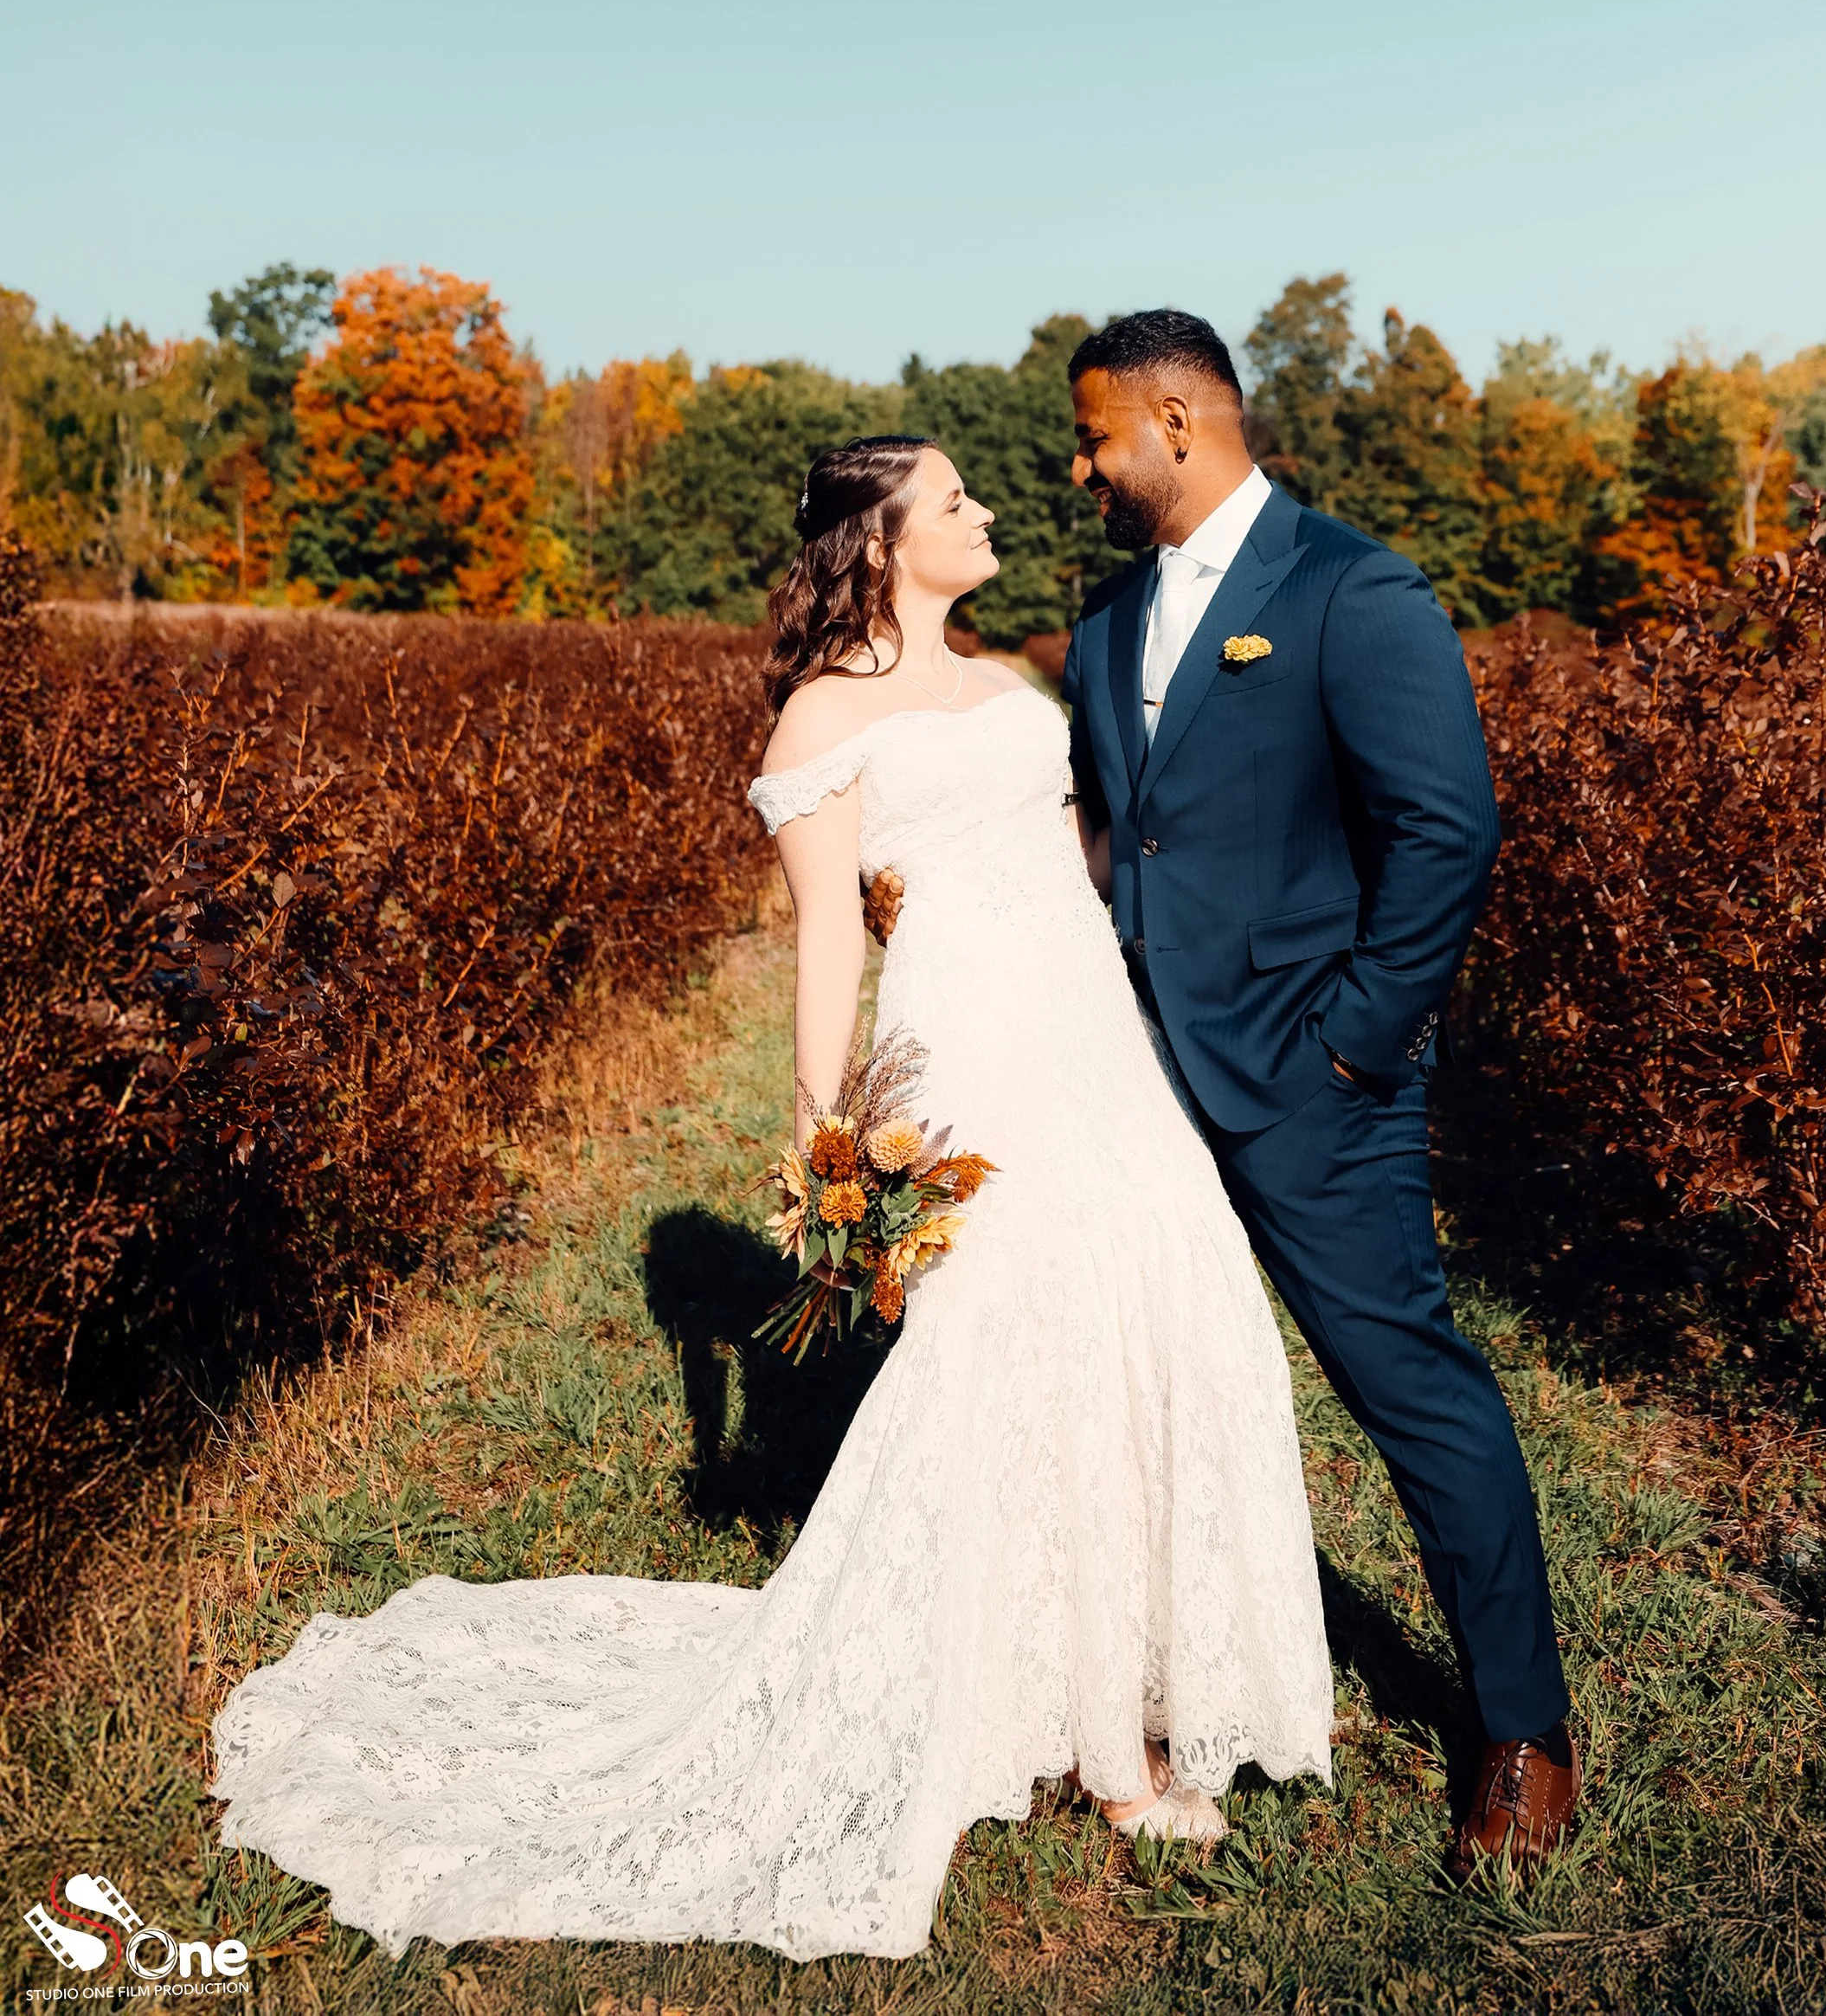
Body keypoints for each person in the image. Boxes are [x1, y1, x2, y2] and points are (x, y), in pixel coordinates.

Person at [208, 435, 1333, 1964]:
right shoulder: (824, 711)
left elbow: (1074, 857)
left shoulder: (1013, 679)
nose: (984, 512)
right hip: (968, 1052)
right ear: (880, 540)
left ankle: (1128, 1665)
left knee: (1169, 1292)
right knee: (1021, 1333)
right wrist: (829, 1131)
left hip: (1094, 1037)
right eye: (952, 502)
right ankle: (1100, 1752)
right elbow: (828, 942)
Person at [1062, 309, 1580, 1875]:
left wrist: (1353, 1042)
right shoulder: (1098, 624)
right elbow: (1115, 838)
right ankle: (1129, 1695)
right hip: (1136, 1086)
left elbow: (1448, 832)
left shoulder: (1356, 589)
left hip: (1315, 1084)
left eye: (1093, 437)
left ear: (1173, 420)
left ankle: (1521, 1728)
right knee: (1134, 1392)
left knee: (1409, 1386)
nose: (1080, 469)